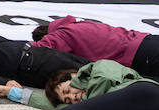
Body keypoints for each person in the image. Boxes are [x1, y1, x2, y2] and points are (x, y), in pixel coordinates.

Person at [0, 59, 139, 110]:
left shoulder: (100, 67)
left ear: (74, 76)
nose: (73, 96)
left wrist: (85, 108)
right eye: (69, 100)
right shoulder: (89, 104)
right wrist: (10, 92)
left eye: (68, 90)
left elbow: (105, 78)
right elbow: (57, 107)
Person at [30, 17, 159, 78]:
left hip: (139, 54)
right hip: (146, 40)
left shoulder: (61, 34)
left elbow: (37, 50)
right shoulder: (77, 24)